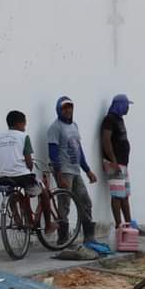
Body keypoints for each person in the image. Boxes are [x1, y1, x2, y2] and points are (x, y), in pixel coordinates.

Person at [0, 110, 54, 232]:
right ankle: (48, 225)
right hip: (22, 177)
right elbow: (29, 163)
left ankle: (17, 218)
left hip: (3, 177)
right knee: (44, 192)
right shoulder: (23, 137)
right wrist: (29, 166)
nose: (25, 128)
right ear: (20, 123)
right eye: (24, 124)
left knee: (11, 191)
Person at [46, 96, 99, 247]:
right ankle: (63, 238)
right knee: (64, 204)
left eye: (70, 107)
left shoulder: (74, 125)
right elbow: (53, 153)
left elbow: (78, 150)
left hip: (76, 170)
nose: (68, 110)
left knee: (85, 201)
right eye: (65, 107)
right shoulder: (55, 128)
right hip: (64, 171)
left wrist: (88, 170)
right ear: (59, 109)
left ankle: (89, 236)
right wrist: (59, 174)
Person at [102, 94, 145, 234]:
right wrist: (113, 160)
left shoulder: (119, 119)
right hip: (114, 163)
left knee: (125, 195)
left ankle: (129, 225)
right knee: (116, 195)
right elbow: (106, 140)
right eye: (126, 105)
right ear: (120, 105)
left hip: (123, 164)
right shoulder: (109, 120)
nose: (128, 108)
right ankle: (119, 226)